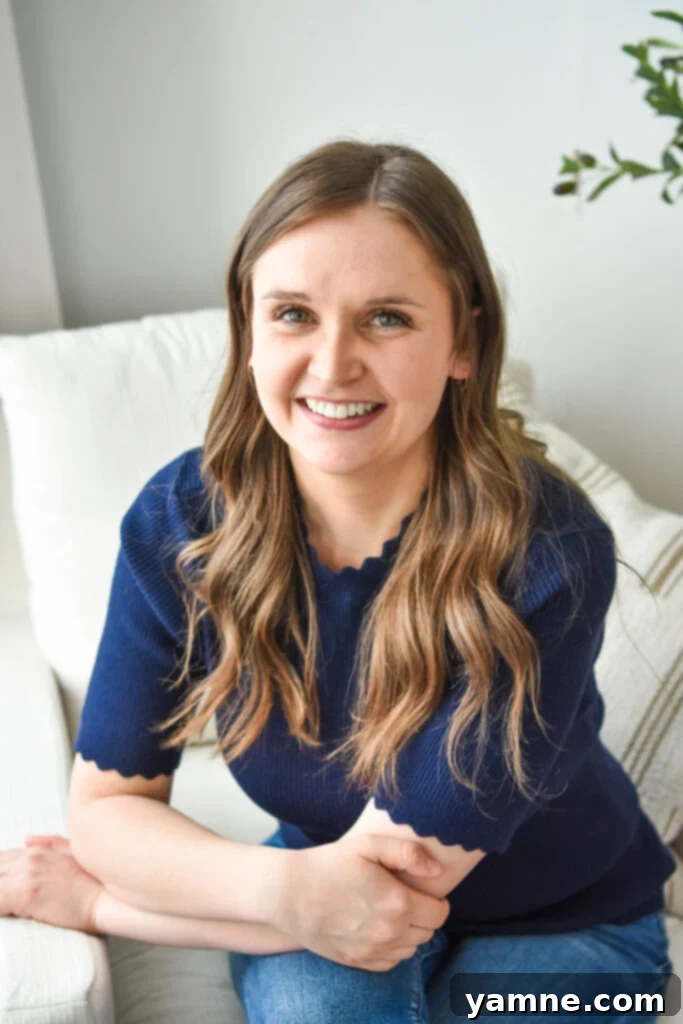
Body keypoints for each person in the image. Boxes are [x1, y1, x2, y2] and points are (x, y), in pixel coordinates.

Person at [0, 139, 675, 1023]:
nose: (331, 364)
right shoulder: (182, 521)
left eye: (386, 318)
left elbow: (390, 888)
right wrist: (282, 889)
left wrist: (101, 906)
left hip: (575, 932)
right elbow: (110, 809)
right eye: (291, 314)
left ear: (463, 340)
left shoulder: (546, 549)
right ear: (248, 332)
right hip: (314, 885)